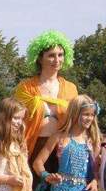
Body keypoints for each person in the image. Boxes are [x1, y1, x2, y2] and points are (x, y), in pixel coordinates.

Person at [14, 30, 79, 176]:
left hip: (62, 148)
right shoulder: (26, 88)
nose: (57, 60)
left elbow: (76, 121)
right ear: (39, 58)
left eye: (60, 55)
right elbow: (15, 118)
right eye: (51, 55)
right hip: (32, 146)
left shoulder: (71, 88)